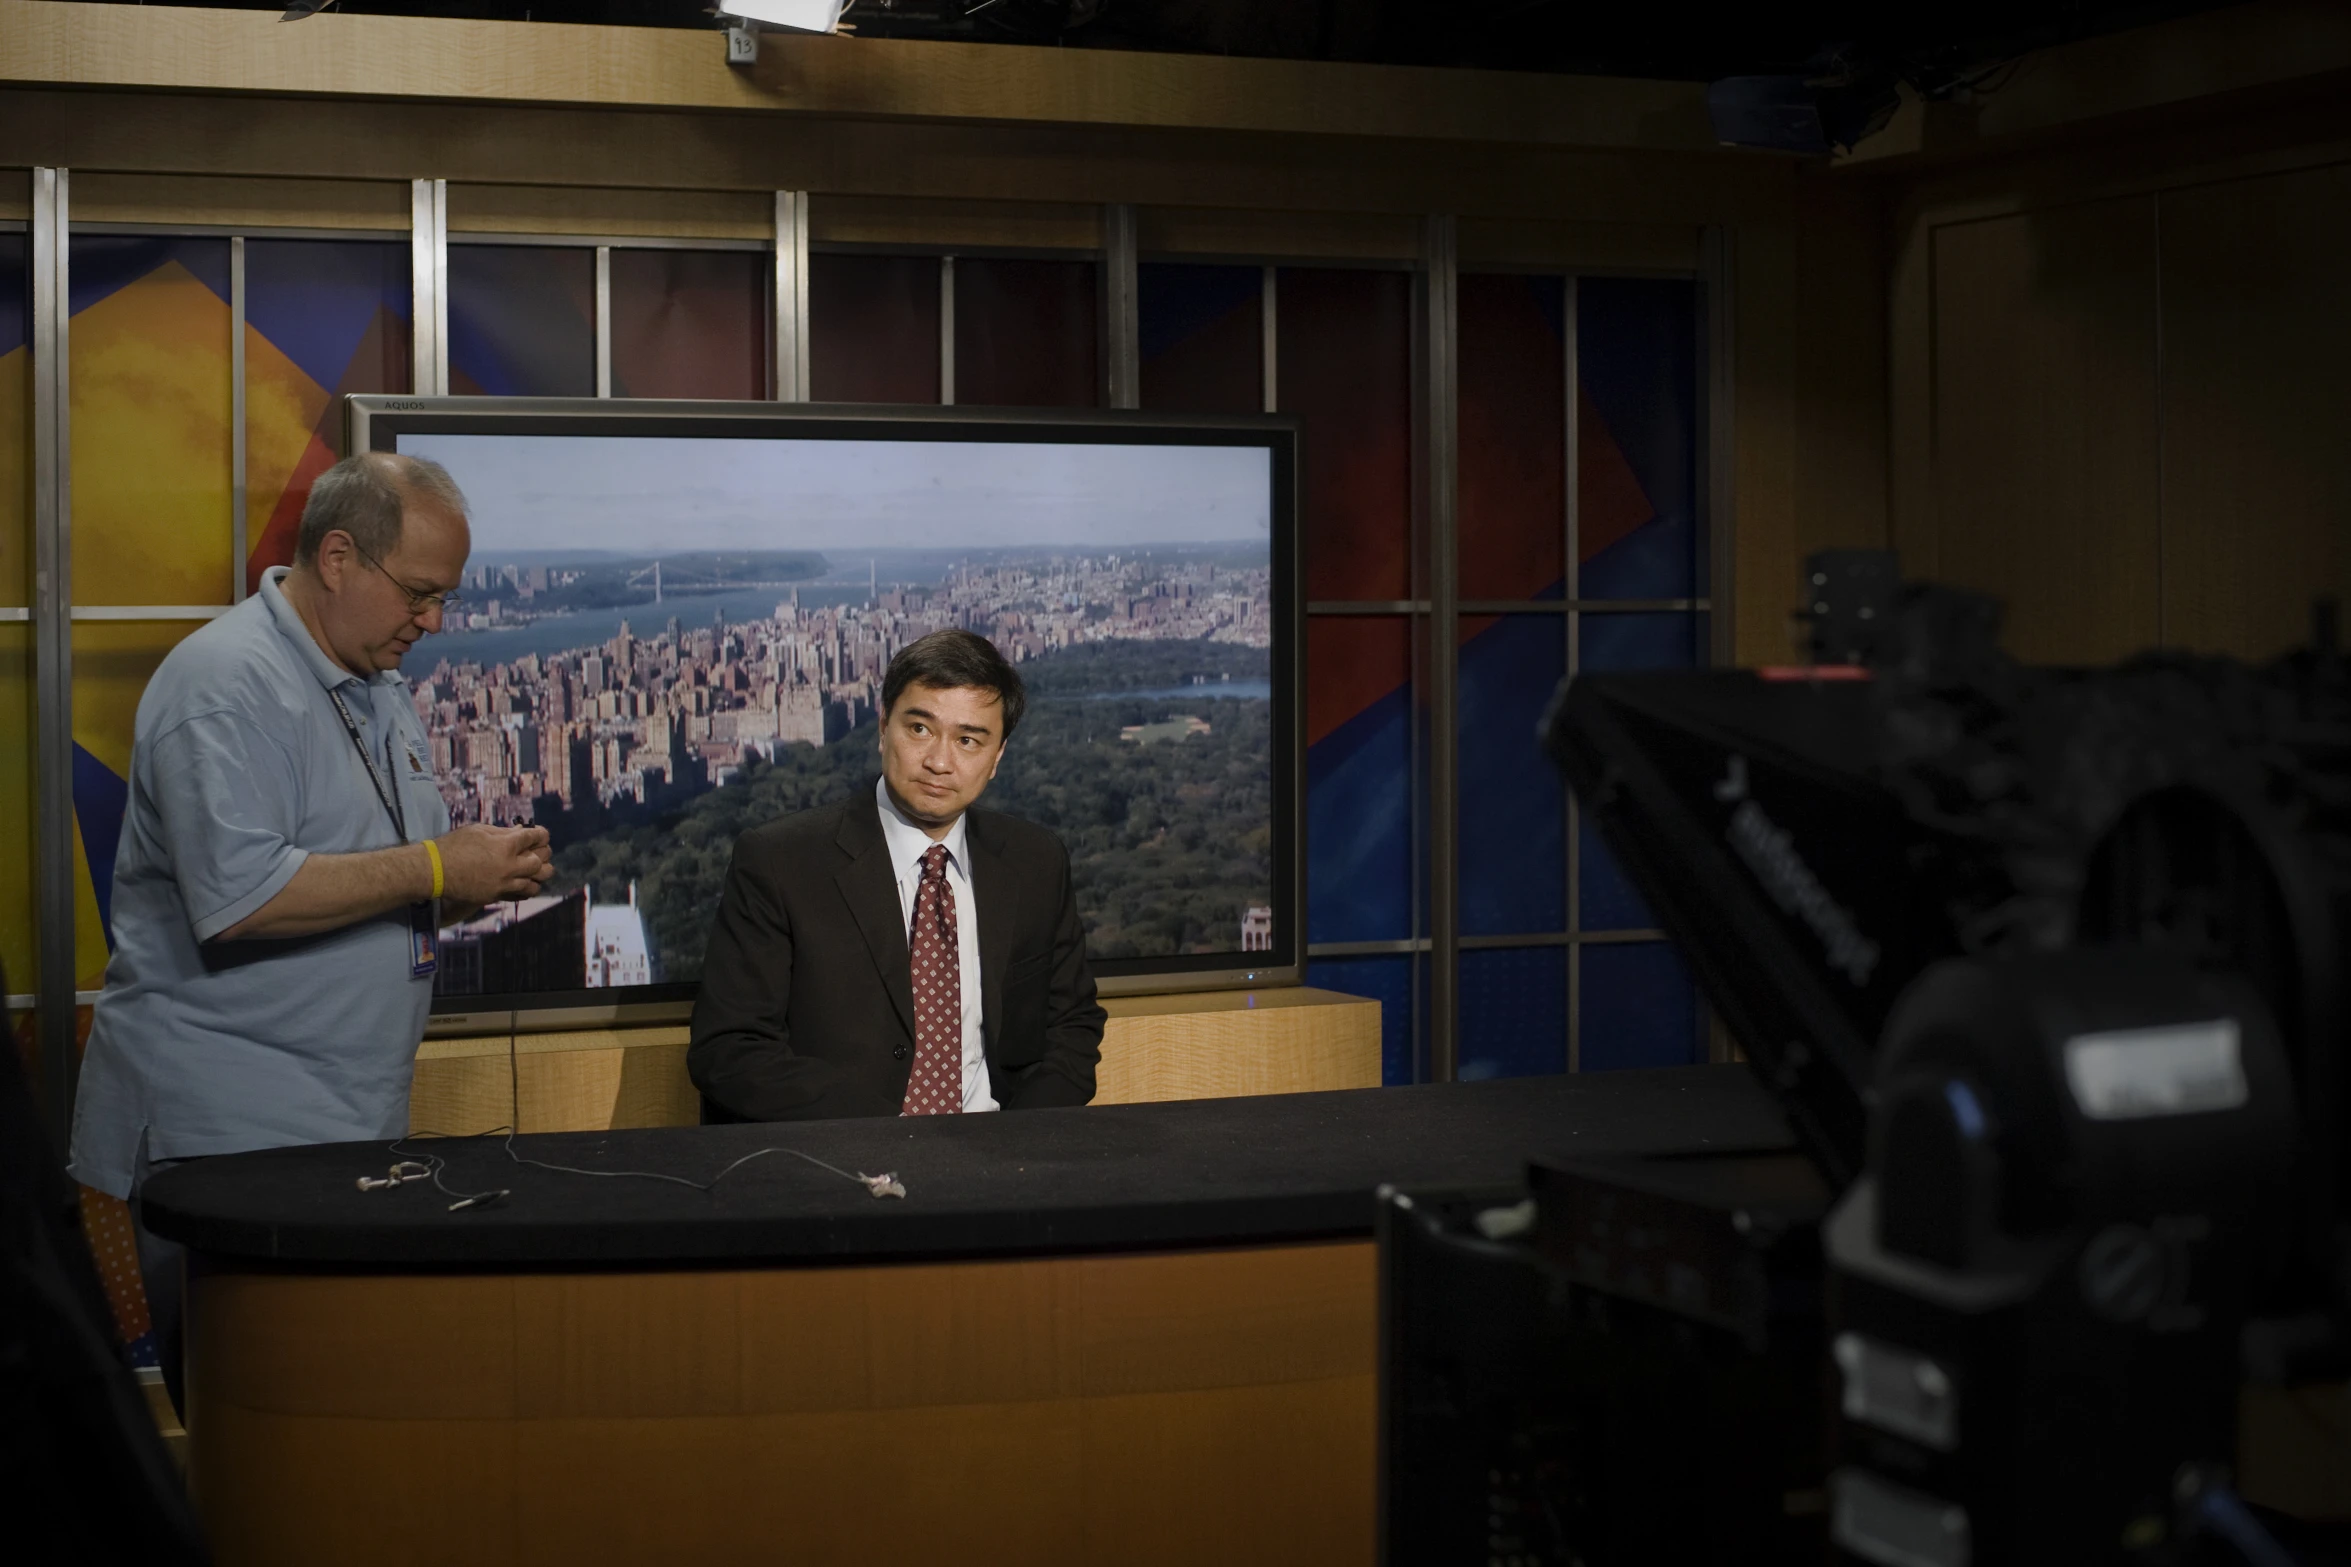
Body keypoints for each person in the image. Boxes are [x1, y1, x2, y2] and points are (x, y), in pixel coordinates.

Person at [68, 452, 554, 1402]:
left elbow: (361, 869)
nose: (436, 623)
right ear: (338, 556)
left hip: (337, 1134)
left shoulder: (374, 677)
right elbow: (239, 896)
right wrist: (433, 867)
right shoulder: (222, 683)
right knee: (257, 1437)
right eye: (419, 594)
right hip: (226, 1141)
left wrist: (460, 886)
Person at [690, 629, 1106, 1122]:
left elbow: (1072, 1028)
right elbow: (730, 1049)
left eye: (968, 740)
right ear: (883, 725)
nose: (939, 762)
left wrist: (1018, 1142)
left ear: (996, 759)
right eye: (920, 729)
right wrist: (894, 1139)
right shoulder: (780, 862)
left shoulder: (1035, 861)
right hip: (846, 1161)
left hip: (1000, 1158)